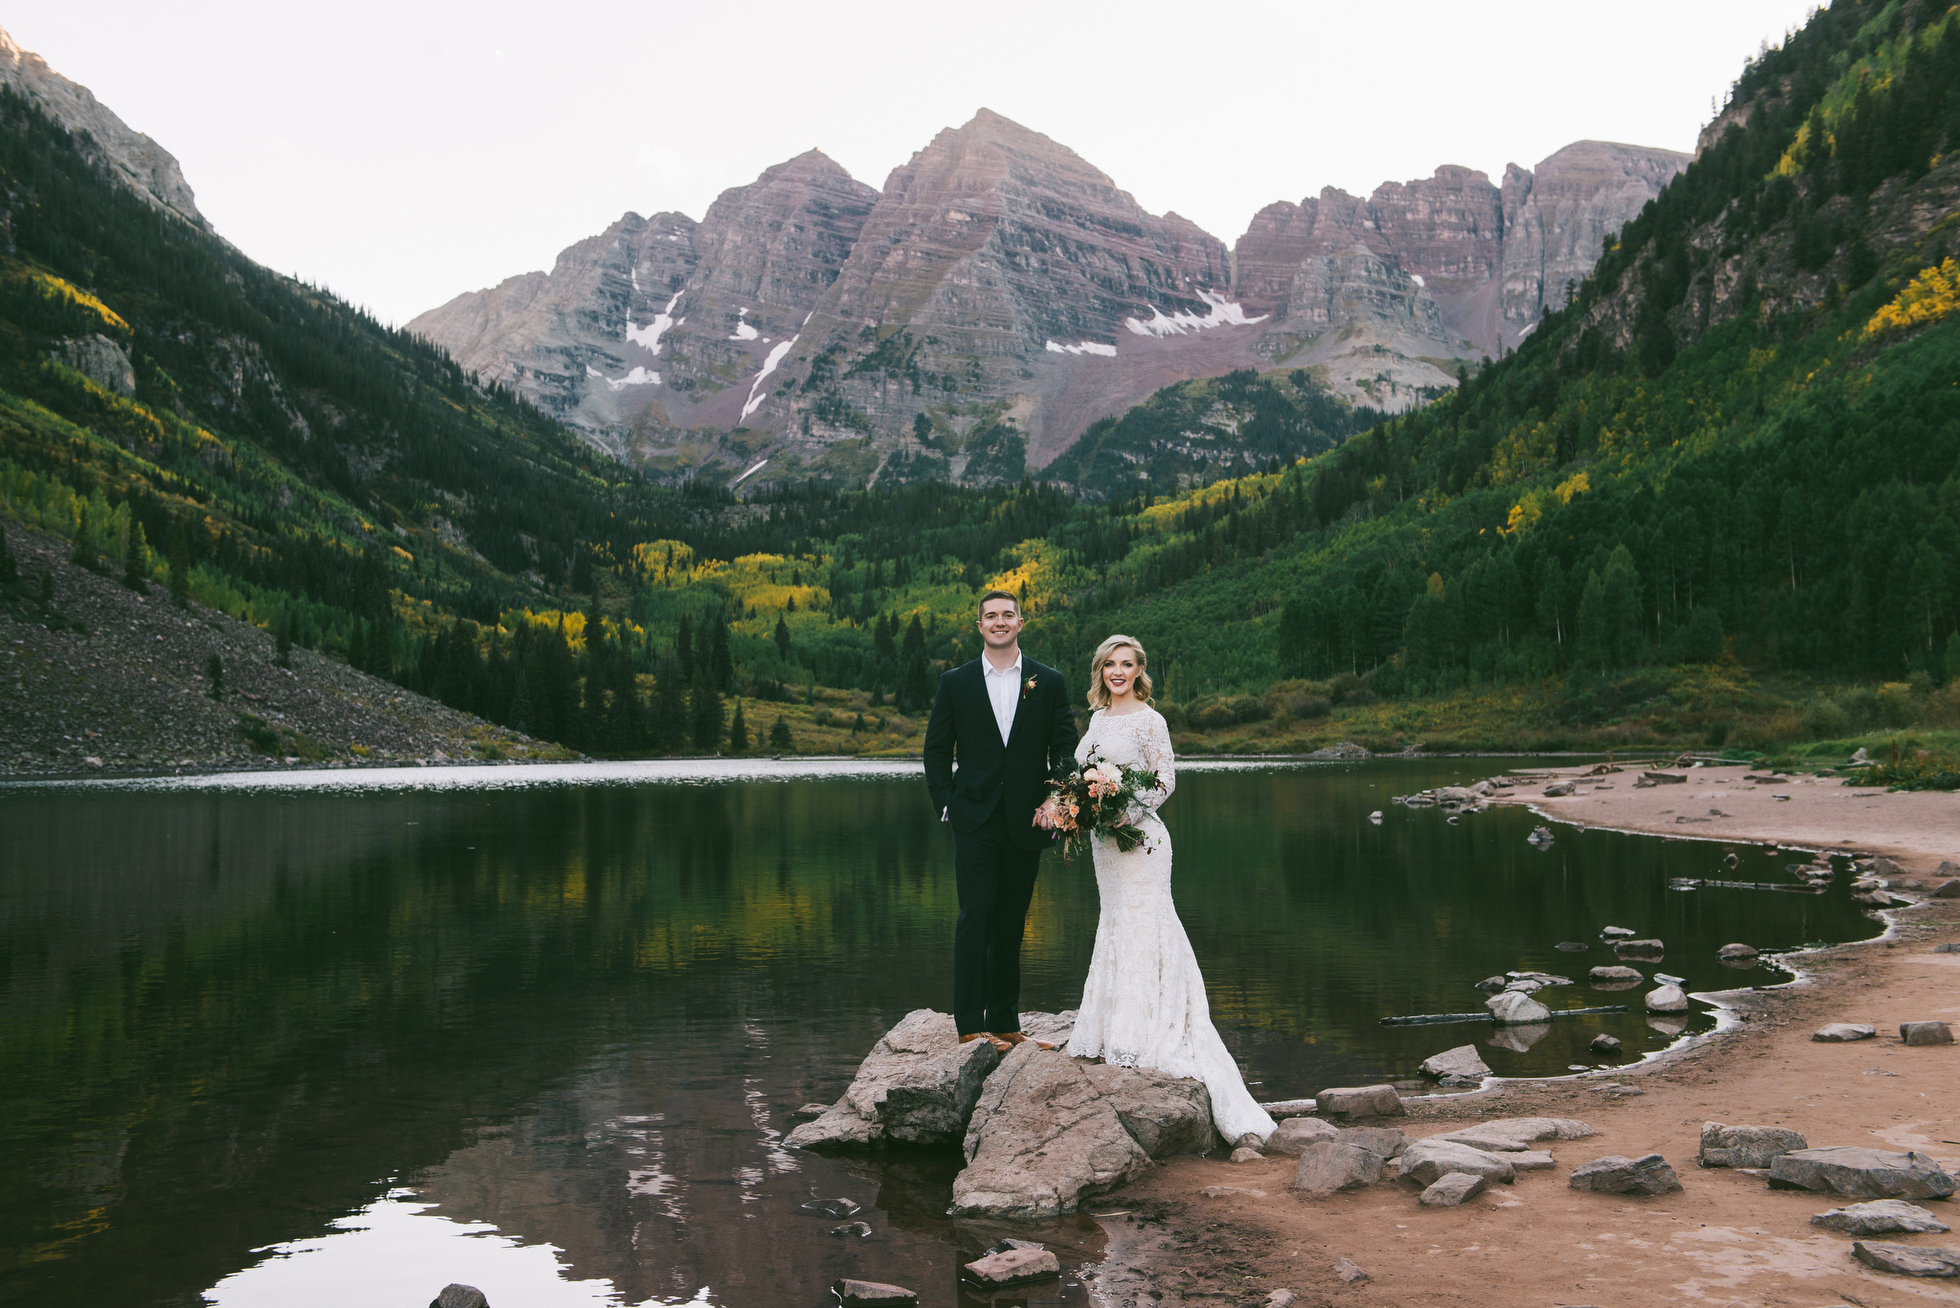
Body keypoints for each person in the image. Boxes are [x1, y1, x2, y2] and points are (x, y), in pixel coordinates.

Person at [1061, 634, 1277, 1144]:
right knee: (1116, 923)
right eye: (1110, 665)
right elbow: (1083, 775)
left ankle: (1146, 1032)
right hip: (1105, 846)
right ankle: (1112, 1027)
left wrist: (1127, 812)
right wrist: (1081, 807)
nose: (1118, 672)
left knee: (1146, 923)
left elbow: (1164, 780)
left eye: (1127, 664)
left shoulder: (1150, 720)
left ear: (1139, 670)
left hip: (1140, 840)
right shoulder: (1096, 720)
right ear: (1100, 671)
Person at [923, 590, 1080, 1053]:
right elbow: (936, 750)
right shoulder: (956, 682)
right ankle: (970, 1025)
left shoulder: (1048, 681)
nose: (999, 621)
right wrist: (947, 803)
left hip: (1029, 819)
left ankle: (1006, 1023)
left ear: (1020, 622)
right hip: (973, 816)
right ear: (979, 626)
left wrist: (1056, 798)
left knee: (1012, 919)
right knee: (976, 915)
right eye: (990, 616)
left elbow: (1065, 746)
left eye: (1007, 615)